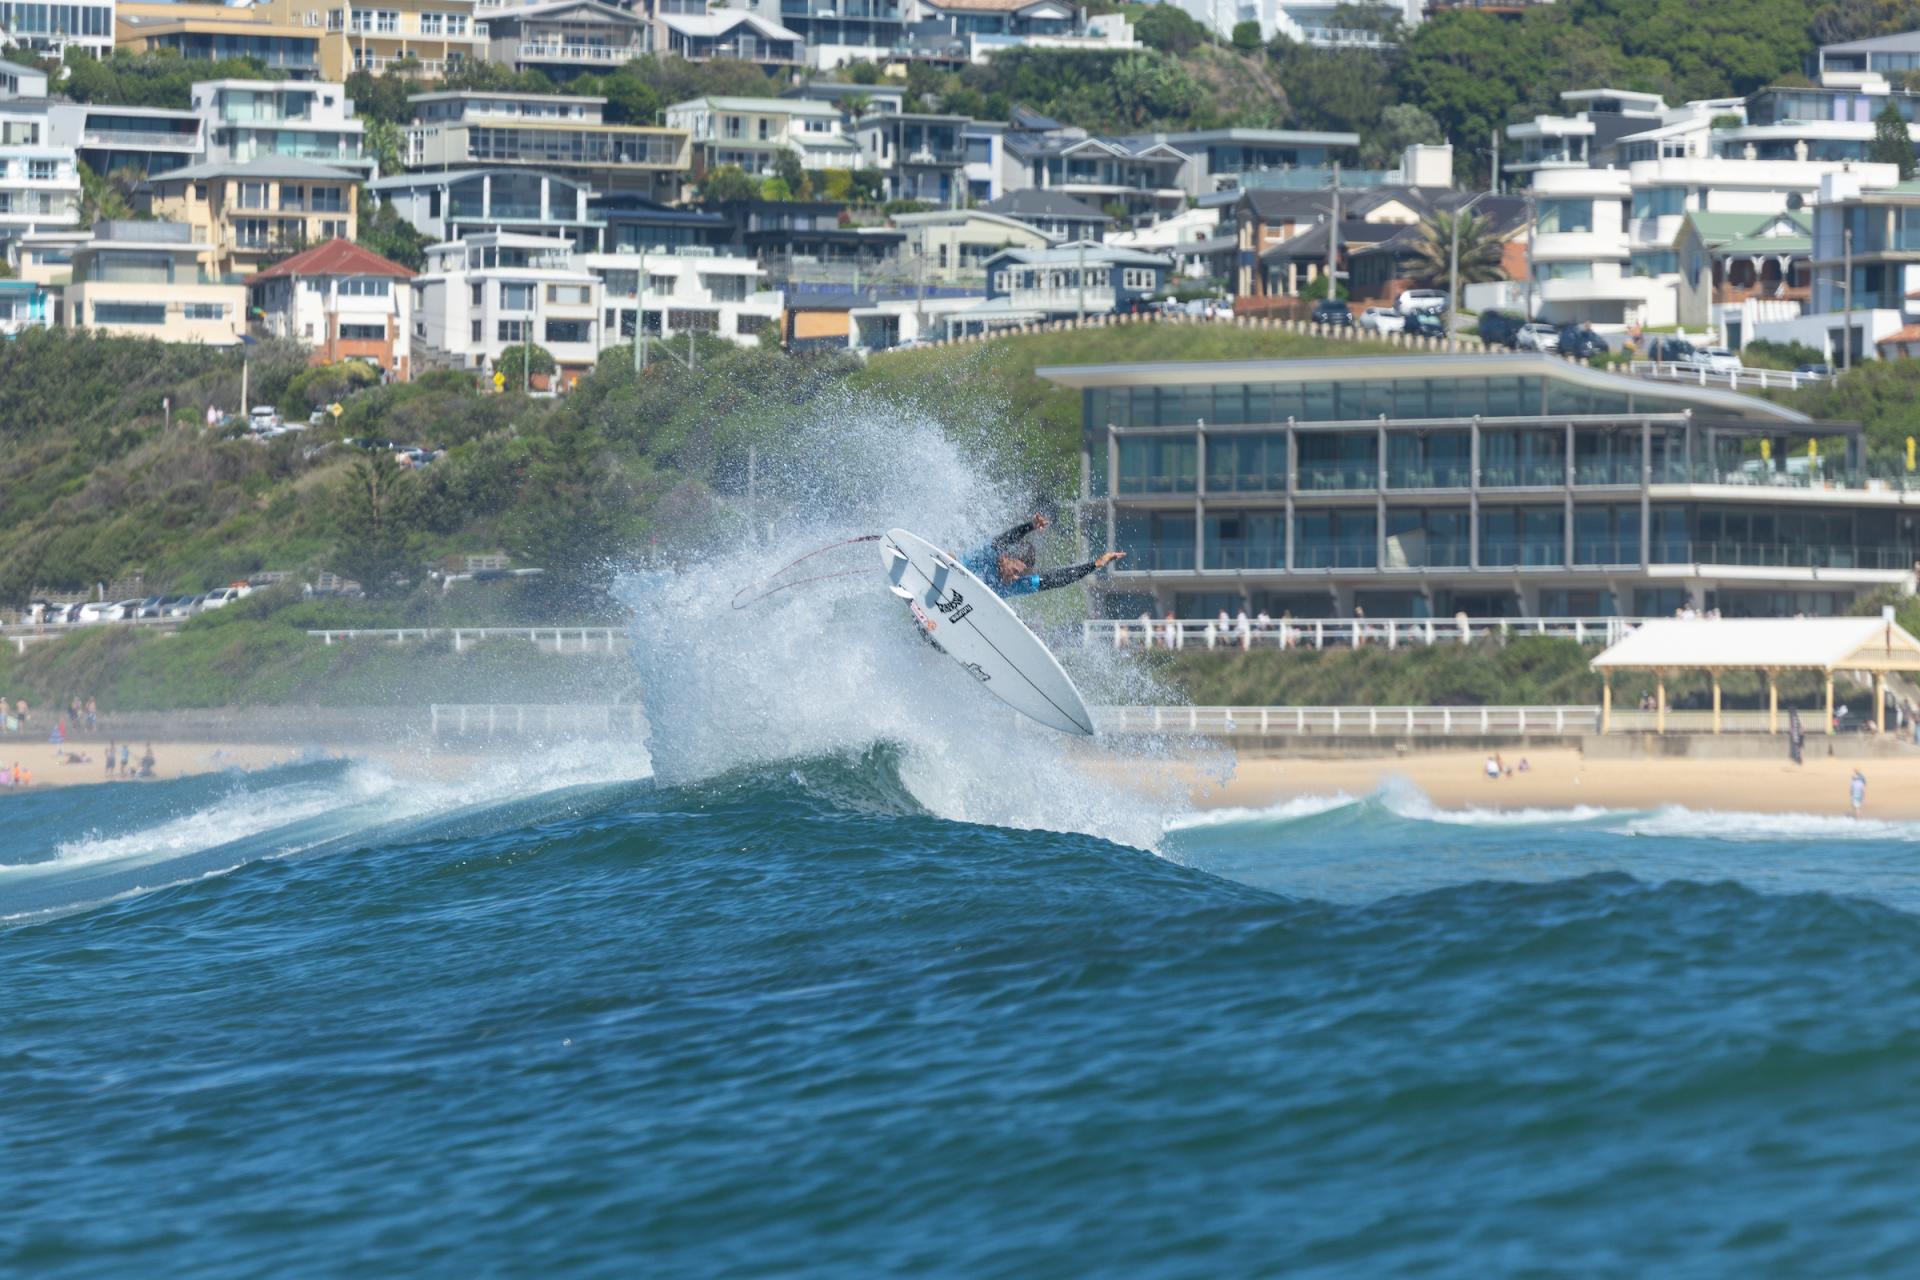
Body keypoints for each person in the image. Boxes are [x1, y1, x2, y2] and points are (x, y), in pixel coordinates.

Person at [964, 513, 1127, 598]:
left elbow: (1058, 579)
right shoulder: (988, 555)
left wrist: (1095, 564)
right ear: (1006, 558)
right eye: (1015, 571)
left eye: (1019, 574)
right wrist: (1030, 526)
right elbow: (1008, 537)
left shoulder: (1018, 584)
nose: (1015, 578)